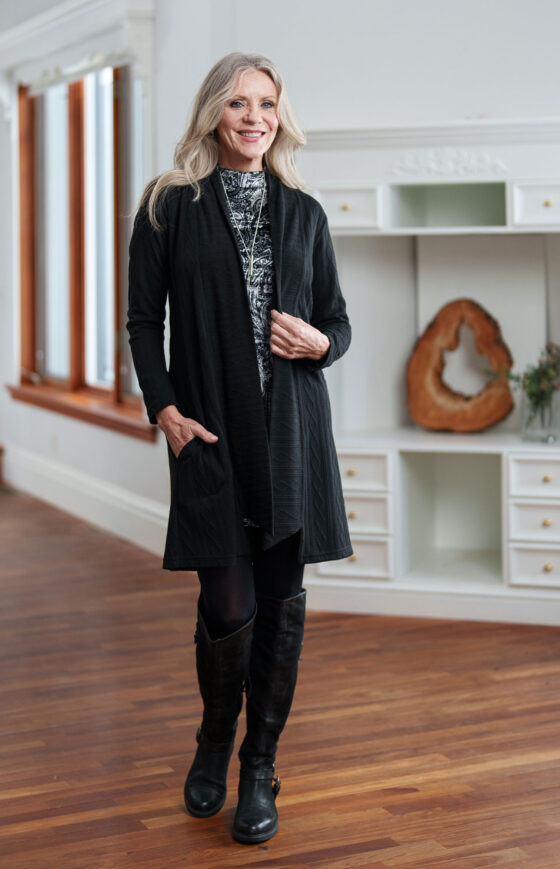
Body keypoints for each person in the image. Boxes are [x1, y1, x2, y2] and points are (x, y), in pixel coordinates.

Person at [126, 51, 352, 845]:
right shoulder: (168, 205)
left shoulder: (306, 213)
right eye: (236, 104)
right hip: (212, 429)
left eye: (265, 103)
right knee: (228, 601)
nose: (253, 117)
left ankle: (260, 763)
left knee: (282, 603)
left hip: (291, 432)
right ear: (213, 115)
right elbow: (141, 322)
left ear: (278, 116)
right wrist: (164, 408)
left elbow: (339, 321)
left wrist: (320, 341)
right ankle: (215, 733)